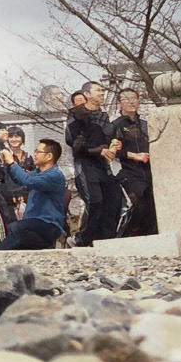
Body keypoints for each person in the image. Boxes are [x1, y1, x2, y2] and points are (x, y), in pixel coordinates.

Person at [68, 81, 122, 245]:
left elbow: (111, 136)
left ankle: (107, 241)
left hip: (104, 165)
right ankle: (81, 240)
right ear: (87, 94)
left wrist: (115, 144)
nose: (102, 93)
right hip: (85, 164)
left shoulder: (104, 116)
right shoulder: (76, 114)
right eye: (98, 90)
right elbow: (75, 143)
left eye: (103, 91)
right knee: (94, 200)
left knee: (114, 201)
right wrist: (99, 150)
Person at [0, 138, 68, 249]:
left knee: (16, 227)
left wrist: (12, 163)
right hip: (32, 225)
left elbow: (28, 181)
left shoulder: (54, 175)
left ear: (49, 156)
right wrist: (8, 164)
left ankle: (46, 245)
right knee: (7, 245)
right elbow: (19, 180)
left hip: (48, 224)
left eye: (38, 152)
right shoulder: (38, 173)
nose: (35, 154)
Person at [111, 89, 156, 237]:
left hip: (148, 171)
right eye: (126, 99)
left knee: (152, 204)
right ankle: (125, 235)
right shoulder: (115, 126)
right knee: (139, 202)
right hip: (126, 171)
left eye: (134, 99)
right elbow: (112, 152)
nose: (131, 102)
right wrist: (135, 156)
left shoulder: (146, 125)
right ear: (120, 104)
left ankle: (150, 236)